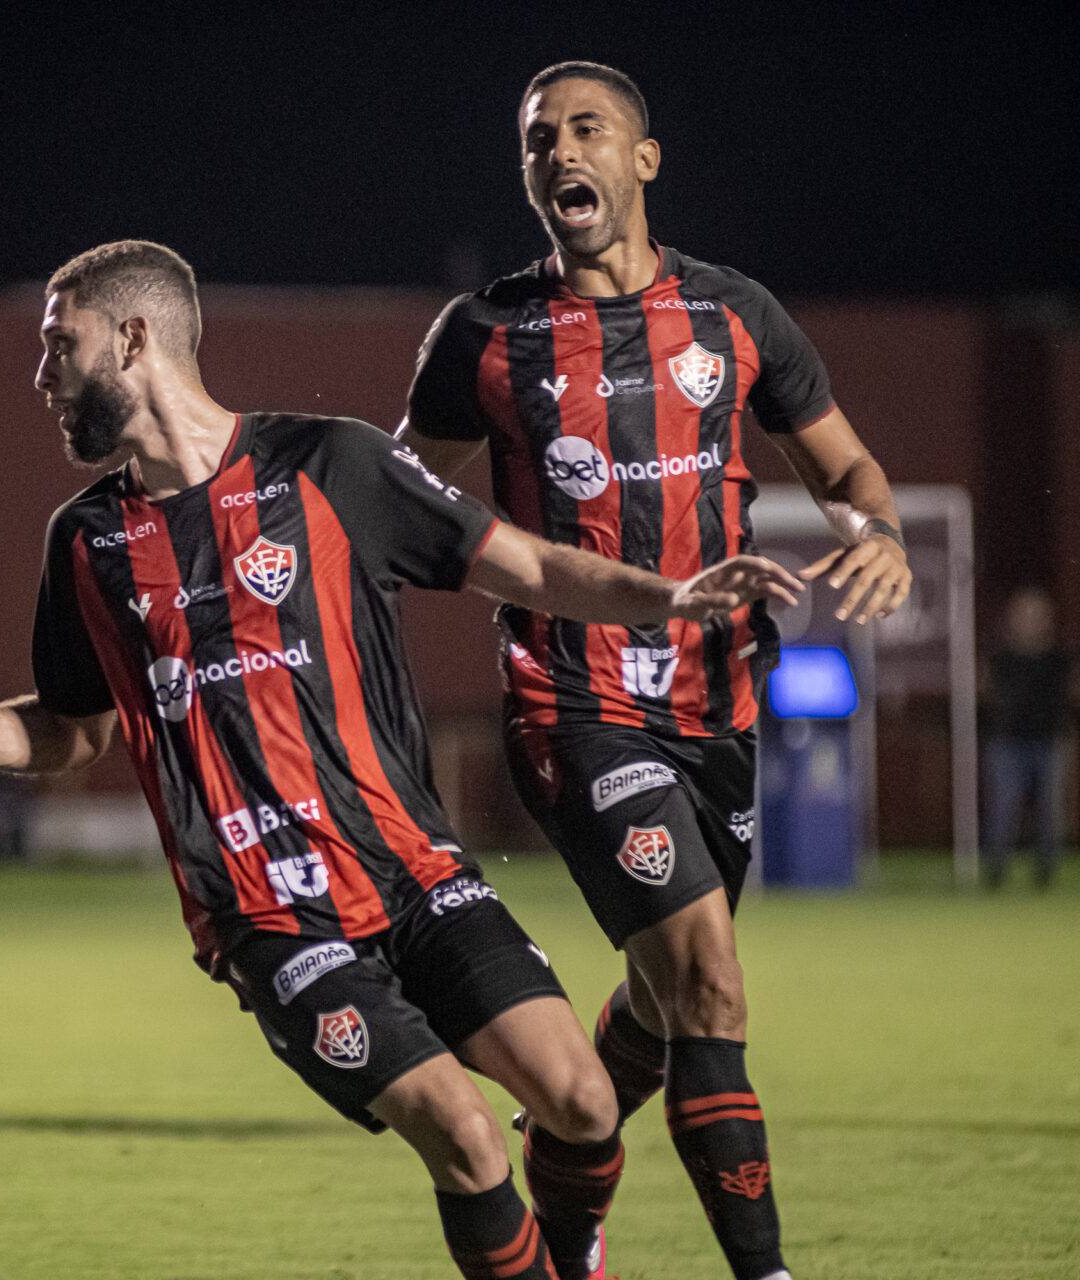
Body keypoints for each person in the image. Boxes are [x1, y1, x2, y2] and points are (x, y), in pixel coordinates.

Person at [0, 240, 800, 1280]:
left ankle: (571, 1252)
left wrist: (668, 595)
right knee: (467, 1135)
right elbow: (72, 730)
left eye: (58, 343)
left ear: (132, 338)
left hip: (418, 876)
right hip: (272, 919)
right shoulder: (85, 543)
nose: (42, 375)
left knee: (580, 1103)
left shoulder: (332, 464)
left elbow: (527, 564)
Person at [396, 62, 913, 1280]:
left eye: (586, 131)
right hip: (574, 702)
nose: (559, 152)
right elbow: (398, 507)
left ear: (644, 160)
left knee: (661, 984)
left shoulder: (735, 317)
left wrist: (879, 535)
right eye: (538, 140)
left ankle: (567, 1227)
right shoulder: (485, 334)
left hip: (721, 695)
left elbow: (846, 475)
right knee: (709, 980)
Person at [980, 586, 1074, 889]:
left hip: (1050, 741)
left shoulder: (1061, 658)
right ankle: (997, 870)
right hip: (1007, 741)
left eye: (1036, 615)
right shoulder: (999, 658)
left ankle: (1045, 871)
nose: (1030, 620)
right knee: (1004, 807)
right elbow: (985, 695)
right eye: (1024, 614)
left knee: (1050, 810)